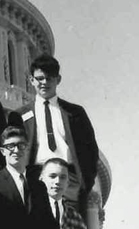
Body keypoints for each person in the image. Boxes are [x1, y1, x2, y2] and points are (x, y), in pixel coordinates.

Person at [8, 55, 99, 212]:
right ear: (31, 80)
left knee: (69, 227)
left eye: (49, 78)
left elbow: (91, 149)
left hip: (68, 178)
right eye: (39, 78)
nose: (44, 83)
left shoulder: (75, 112)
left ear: (58, 79)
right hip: (36, 177)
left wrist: (84, 181)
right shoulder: (19, 115)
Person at [40, 158, 90, 229]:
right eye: (52, 176)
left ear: (67, 183)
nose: (57, 181)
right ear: (41, 179)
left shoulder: (75, 218)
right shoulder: (30, 209)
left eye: (62, 177)